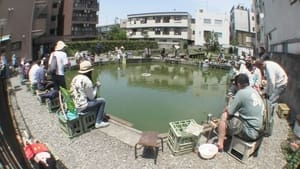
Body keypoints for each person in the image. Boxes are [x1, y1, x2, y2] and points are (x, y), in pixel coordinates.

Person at [217, 74, 264, 150]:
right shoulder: (254, 91)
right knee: (235, 117)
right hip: (259, 130)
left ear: (238, 84)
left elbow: (229, 112)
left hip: (250, 133)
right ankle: (227, 134)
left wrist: (229, 105)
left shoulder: (241, 93)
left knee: (224, 116)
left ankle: (220, 143)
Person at [70, 61, 109, 128]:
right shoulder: (87, 80)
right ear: (89, 71)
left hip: (76, 106)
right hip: (83, 107)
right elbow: (92, 97)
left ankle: (96, 116)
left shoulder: (75, 78)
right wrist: (97, 87)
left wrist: (94, 87)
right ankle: (98, 122)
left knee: (94, 100)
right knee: (102, 101)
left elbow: (83, 91)